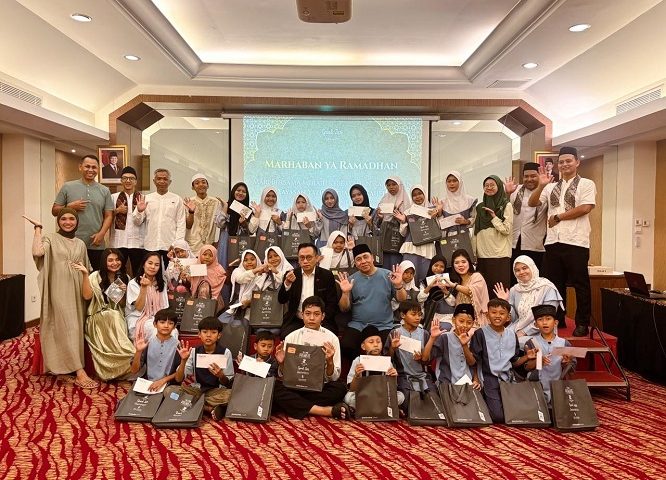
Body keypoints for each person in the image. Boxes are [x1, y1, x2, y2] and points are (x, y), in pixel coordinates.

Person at [528, 146, 596, 337]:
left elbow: (585, 207)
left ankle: (582, 323)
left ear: (577, 162)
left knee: (581, 285)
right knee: (554, 284)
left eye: (568, 161)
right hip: (553, 241)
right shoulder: (551, 187)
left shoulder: (586, 184)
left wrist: (558, 217)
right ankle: (559, 318)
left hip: (576, 242)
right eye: (561, 162)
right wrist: (541, 185)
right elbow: (533, 203)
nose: (565, 164)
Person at [30, 208, 98, 389]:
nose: (68, 222)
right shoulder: (51, 238)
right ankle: (79, 371)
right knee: (68, 326)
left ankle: (63, 369)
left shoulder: (80, 243)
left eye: (72, 219)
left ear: (77, 222)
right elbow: (37, 252)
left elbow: (87, 269)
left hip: (77, 291)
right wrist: (38, 229)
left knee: (75, 329)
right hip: (58, 290)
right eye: (64, 219)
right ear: (58, 221)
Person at [272, 296, 349, 420]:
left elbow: (334, 377)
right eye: (308, 314)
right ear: (302, 315)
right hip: (296, 387)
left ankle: (292, 405)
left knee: (339, 389)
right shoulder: (291, 337)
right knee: (274, 386)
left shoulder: (332, 338)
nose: (312, 318)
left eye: (316, 314)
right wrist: (282, 363)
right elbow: (285, 376)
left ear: (323, 316)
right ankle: (325, 411)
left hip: (319, 387)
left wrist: (329, 361)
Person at [338, 243, 408, 360]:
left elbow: (402, 299)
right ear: (355, 263)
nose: (363, 261)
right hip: (358, 325)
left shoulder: (388, 275)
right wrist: (345, 293)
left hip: (383, 325)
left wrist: (398, 285)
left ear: (372, 257)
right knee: (346, 345)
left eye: (366, 257)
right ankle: (357, 370)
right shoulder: (351, 280)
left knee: (389, 348)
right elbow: (344, 308)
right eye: (359, 259)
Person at [469, 298, 534, 423]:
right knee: (498, 416)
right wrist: (475, 378)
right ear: (487, 315)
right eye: (493, 312)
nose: (497, 316)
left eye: (502, 313)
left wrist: (526, 357)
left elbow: (514, 361)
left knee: (516, 414)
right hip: (489, 378)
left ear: (508, 317)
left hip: (508, 378)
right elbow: (474, 361)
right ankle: (484, 400)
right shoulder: (480, 334)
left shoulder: (512, 335)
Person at [52, 154, 114, 270]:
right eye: (87, 166)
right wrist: (70, 207)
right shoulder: (68, 186)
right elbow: (54, 211)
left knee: (95, 277)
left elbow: (109, 216)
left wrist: (101, 234)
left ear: (98, 169)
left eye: (94, 167)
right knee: (71, 275)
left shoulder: (105, 190)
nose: (90, 170)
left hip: (95, 243)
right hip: (70, 242)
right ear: (80, 167)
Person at [83, 248, 135, 381]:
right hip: (96, 315)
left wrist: (123, 292)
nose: (114, 263)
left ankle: (124, 365)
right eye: (110, 260)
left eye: (117, 260)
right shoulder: (95, 276)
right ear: (104, 262)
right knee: (113, 316)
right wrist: (85, 275)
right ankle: (129, 354)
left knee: (116, 316)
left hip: (117, 315)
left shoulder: (125, 277)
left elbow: (122, 305)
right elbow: (86, 296)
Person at [170, 316, 235, 421]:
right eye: (205, 332)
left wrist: (221, 375)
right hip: (197, 390)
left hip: (216, 391)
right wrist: (183, 361)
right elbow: (178, 379)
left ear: (219, 335)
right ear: (199, 334)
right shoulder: (193, 351)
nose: (208, 335)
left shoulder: (225, 352)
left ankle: (192, 403)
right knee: (170, 392)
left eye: (213, 332)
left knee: (232, 395)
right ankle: (208, 408)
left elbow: (229, 383)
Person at [493, 256, 563, 346]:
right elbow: (514, 318)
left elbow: (548, 318)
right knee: (495, 340)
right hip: (518, 329)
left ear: (532, 267)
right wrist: (505, 302)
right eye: (517, 270)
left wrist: (524, 332)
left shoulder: (547, 288)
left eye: (525, 268)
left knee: (515, 342)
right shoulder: (515, 290)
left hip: (542, 332)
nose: (521, 272)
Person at [278, 243, 338, 337]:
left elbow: (332, 302)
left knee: (328, 337)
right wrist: (287, 283)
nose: (305, 261)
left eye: (309, 257)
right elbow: (282, 300)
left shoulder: (326, 275)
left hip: (321, 320)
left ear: (316, 258)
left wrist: (321, 319)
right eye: (302, 258)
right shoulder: (291, 275)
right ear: (298, 260)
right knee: (287, 336)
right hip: (297, 320)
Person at [133, 168, 186, 268]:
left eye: (165, 179)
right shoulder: (146, 198)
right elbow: (137, 222)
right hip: (150, 244)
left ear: (170, 182)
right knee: (151, 272)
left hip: (170, 245)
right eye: (159, 179)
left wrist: (177, 244)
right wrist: (139, 211)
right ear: (154, 181)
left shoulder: (177, 199)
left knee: (172, 273)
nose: (162, 181)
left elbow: (181, 223)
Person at [385, 300, 436, 402]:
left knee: (433, 399)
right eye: (413, 314)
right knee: (408, 401)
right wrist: (393, 348)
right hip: (403, 376)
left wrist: (420, 358)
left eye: (419, 314)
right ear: (403, 315)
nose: (418, 318)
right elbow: (388, 359)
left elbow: (427, 360)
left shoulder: (424, 334)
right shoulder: (395, 333)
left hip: (422, 375)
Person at [524, 304, 576, 403]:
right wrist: (539, 362)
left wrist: (566, 362)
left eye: (548, 319)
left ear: (555, 322)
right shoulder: (532, 342)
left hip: (559, 386)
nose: (544, 322)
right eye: (540, 320)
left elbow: (571, 371)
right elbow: (527, 367)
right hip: (537, 386)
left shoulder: (564, 343)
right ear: (535, 324)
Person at [344, 325, 404, 411]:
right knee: (349, 398)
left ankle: (369, 408)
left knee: (400, 396)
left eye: (378, 341)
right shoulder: (358, 361)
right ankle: (383, 408)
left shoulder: (386, 361)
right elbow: (352, 389)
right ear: (363, 346)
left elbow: (391, 388)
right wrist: (356, 375)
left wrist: (393, 377)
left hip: (381, 394)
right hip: (364, 394)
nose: (376, 345)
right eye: (371, 342)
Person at [504, 162, 548, 277]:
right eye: (526, 176)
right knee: (513, 278)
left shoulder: (546, 191)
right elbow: (504, 211)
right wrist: (507, 194)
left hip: (534, 244)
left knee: (533, 277)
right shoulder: (515, 190)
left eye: (533, 176)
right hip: (513, 243)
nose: (529, 179)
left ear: (539, 176)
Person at [473, 175, 513, 297]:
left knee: (499, 294)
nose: (489, 188)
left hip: (499, 256)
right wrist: (474, 253)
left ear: (499, 186)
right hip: (482, 256)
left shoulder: (506, 205)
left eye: (492, 185)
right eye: (486, 185)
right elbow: (476, 231)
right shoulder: (479, 207)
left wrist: (494, 217)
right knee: (483, 294)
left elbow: (506, 230)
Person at [425, 303, 480, 388]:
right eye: (461, 321)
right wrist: (432, 338)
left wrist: (464, 345)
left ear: (473, 323)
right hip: (447, 384)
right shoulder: (444, 338)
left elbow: (473, 363)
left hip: (468, 384)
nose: (464, 325)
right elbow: (426, 359)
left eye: (469, 322)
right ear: (454, 320)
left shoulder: (473, 338)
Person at [393, 185, 438, 283]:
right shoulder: (408, 212)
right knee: (409, 276)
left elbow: (438, 230)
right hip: (411, 247)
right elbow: (403, 233)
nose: (417, 197)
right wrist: (403, 221)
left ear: (424, 194)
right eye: (414, 195)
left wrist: (435, 217)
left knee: (424, 276)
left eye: (420, 193)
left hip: (427, 247)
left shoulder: (432, 210)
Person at [125, 252, 172, 342]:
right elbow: (139, 307)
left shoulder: (162, 283)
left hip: (158, 318)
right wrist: (143, 288)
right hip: (138, 318)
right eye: (150, 263)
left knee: (173, 332)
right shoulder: (133, 283)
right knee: (155, 332)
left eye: (156, 265)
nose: (153, 267)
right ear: (143, 265)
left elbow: (165, 307)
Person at [130, 308, 179, 391]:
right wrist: (138, 352)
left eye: (170, 323)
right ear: (155, 324)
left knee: (172, 396)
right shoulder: (147, 343)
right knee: (130, 398)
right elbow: (134, 370)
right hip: (148, 383)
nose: (166, 326)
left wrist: (163, 380)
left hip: (169, 384)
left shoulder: (178, 346)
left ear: (174, 326)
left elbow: (180, 374)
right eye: (162, 322)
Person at [109, 166, 145, 276]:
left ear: (136, 181)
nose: (128, 181)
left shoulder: (143, 198)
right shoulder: (113, 197)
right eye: (125, 178)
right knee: (118, 272)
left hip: (137, 242)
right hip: (119, 241)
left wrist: (139, 211)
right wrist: (117, 211)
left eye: (131, 178)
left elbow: (140, 221)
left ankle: (137, 287)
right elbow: (106, 217)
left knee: (138, 272)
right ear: (121, 180)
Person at [445, 249, 489, 327]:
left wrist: (454, 286)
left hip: (476, 321)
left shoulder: (477, 276)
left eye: (463, 262)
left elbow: (470, 291)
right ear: (453, 266)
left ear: (469, 263)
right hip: (461, 322)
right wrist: (444, 290)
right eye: (456, 263)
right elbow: (456, 304)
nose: (460, 265)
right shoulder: (458, 282)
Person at [376, 176, 411, 269]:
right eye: (388, 185)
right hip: (385, 241)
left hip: (399, 241)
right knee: (385, 268)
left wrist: (402, 219)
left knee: (397, 267)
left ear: (400, 185)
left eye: (394, 184)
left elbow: (411, 224)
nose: (391, 187)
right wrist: (380, 218)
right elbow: (378, 224)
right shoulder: (384, 199)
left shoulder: (406, 201)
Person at [184, 173, 224, 255]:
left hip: (210, 245)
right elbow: (188, 225)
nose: (201, 185)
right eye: (197, 183)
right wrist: (191, 212)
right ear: (193, 187)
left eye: (203, 182)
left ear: (207, 185)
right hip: (193, 244)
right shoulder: (189, 202)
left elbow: (219, 224)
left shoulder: (216, 202)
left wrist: (217, 241)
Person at [219, 249, 261, 323]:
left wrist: (250, 302)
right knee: (221, 321)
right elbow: (241, 279)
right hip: (238, 303)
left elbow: (263, 294)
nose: (249, 262)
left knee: (240, 324)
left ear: (257, 260)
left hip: (254, 306)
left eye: (252, 259)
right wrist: (256, 270)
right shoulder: (238, 271)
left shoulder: (262, 275)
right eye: (245, 260)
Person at [217, 181, 251, 269]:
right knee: (224, 266)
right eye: (238, 190)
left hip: (241, 241)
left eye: (244, 191)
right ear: (233, 191)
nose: (241, 193)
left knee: (241, 267)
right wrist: (225, 207)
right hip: (226, 240)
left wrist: (243, 224)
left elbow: (250, 232)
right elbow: (220, 224)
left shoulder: (247, 210)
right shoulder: (225, 205)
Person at [436, 170, 477, 238]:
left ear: (460, 182)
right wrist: (439, 213)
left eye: (454, 181)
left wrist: (466, 221)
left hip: (464, 237)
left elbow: (474, 219)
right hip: (447, 239)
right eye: (449, 181)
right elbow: (439, 226)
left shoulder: (470, 200)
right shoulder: (442, 202)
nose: (451, 184)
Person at [418, 255, 455, 328]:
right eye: (436, 265)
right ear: (431, 265)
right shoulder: (424, 282)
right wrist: (429, 287)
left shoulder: (449, 282)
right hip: (430, 315)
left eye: (442, 266)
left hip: (446, 316)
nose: (438, 268)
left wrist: (444, 290)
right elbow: (420, 299)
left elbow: (453, 303)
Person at [189, 244, 227, 312]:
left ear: (215, 257)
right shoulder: (196, 266)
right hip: (197, 298)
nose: (207, 257)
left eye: (210, 255)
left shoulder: (218, 269)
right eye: (205, 254)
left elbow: (220, 281)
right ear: (200, 254)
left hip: (213, 299)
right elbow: (191, 282)